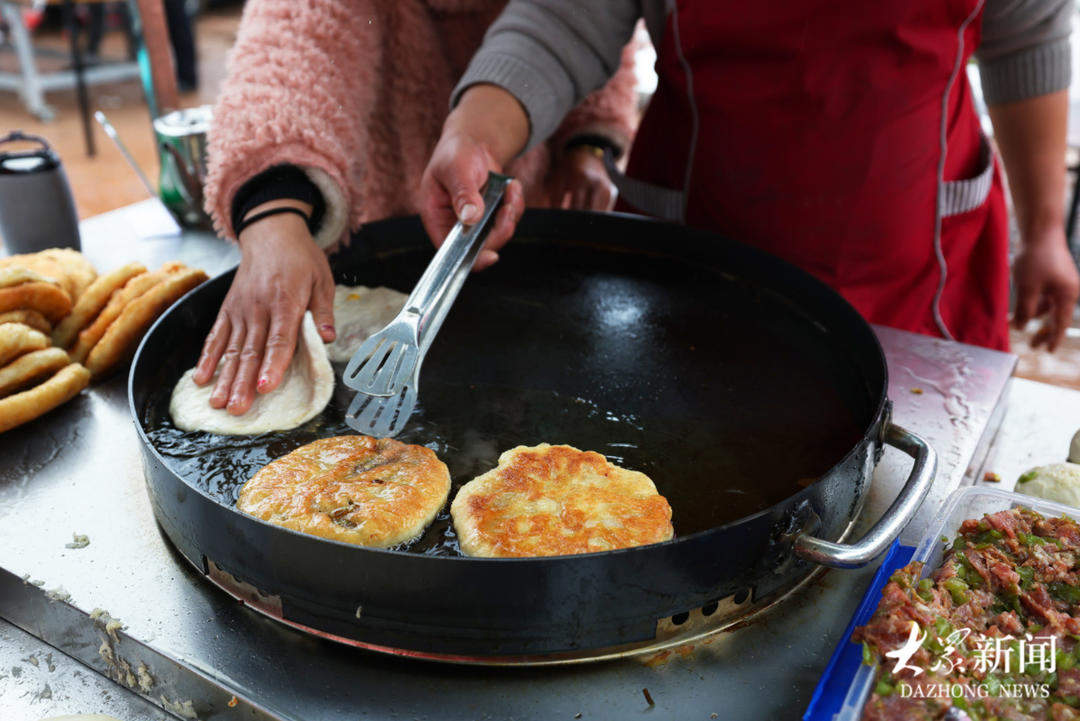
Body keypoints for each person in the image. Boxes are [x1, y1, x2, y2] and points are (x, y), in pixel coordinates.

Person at [420, 0, 1080, 359]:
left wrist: (1046, 228)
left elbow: (1027, 37)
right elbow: (562, 21)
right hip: (694, 267)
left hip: (916, 277)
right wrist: (474, 134)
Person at [196, 0, 640, 415]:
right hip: (381, 237)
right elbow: (292, 44)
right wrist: (272, 216)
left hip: (519, 235)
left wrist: (587, 141)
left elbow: (584, 21)